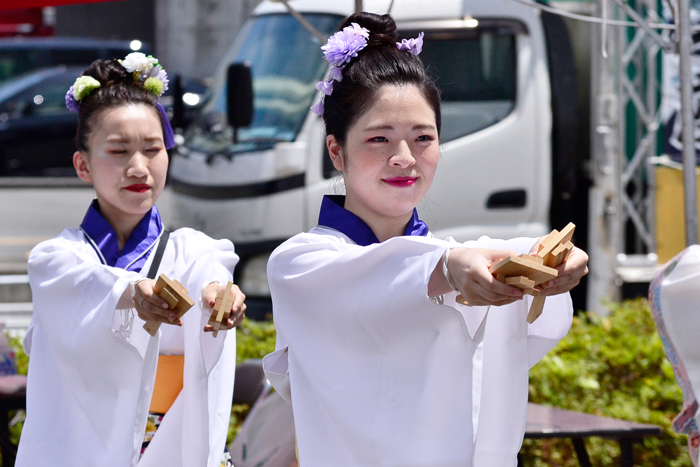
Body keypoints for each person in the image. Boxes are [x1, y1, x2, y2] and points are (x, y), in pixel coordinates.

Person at [262, 12, 588, 467]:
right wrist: (450, 270)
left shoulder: (449, 255)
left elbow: (473, 266)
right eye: (379, 138)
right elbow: (383, 278)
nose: (403, 158)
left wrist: (551, 264)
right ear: (336, 150)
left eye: (422, 137)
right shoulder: (301, 263)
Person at [16, 54, 245, 467]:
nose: (139, 167)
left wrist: (217, 297)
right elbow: (86, 283)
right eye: (119, 151)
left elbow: (211, 273)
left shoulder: (193, 250)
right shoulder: (59, 259)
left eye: (153, 149)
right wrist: (133, 290)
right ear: (82, 165)